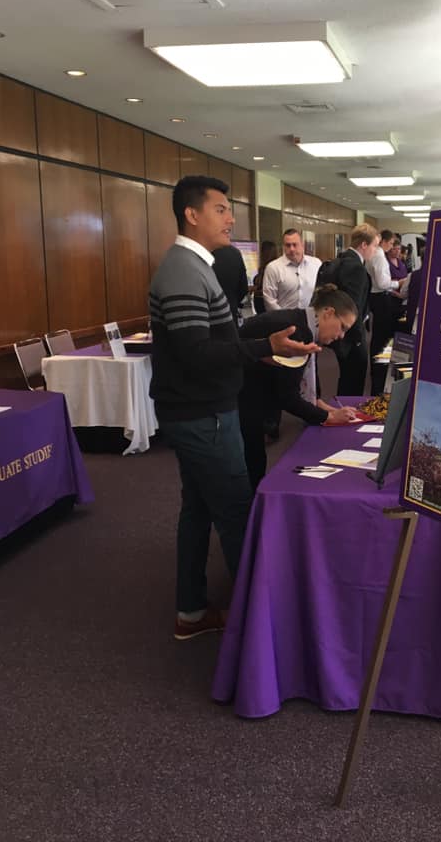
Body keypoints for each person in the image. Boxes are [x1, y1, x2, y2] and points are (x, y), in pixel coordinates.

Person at [149, 174, 319, 641]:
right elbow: (196, 352)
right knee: (237, 514)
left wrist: (264, 351)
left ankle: (192, 612)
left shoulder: (196, 265)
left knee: (200, 511)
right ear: (192, 214)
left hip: (200, 409)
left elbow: (215, 341)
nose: (231, 218)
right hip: (203, 415)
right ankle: (261, 629)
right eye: (222, 209)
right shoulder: (184, 268)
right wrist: (262, 343)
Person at [238, 285, 359, 489]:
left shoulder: (302, 321)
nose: (341, 336)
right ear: (328, 313)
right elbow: (288, 396)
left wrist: (324, 407)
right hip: (241, 403)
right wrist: (329, 417)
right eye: (343, 327)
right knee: (249, 474)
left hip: (245, 397)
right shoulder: (298, 332)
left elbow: (301, 377)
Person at [328, 223, 380, 396]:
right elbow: (353, 307)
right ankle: (348, 415)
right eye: (374, 245)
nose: (375, 250)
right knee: (354, 380)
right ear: (364, 245)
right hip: (351, 336)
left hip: (341, 331)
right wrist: (358, 339)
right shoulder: (355, 267)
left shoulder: (340, 260)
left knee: (347, 378)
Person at [367, 229, 401, 394]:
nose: (393, 246)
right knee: (382, 340)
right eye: (392, 243)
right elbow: (382, 283)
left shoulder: (374, 254)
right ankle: (379, 377)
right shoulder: (380, 256)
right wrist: (398, 283)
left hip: (376, 299)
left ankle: (378, 371)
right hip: (381, 298)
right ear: (385, 242)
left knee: (378, 339)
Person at [262, 228, 322, 312]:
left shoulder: (316, 264)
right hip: (283, 320)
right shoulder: (273, 268)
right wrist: (283, 319)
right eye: (288, 245)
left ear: (302, 245)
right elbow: (269, 300)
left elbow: (321, 292)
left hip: (311, 318)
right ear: (283, 247)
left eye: (295, 244)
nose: (292, 249)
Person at [212, 243, 249, 323]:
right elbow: (244, 288)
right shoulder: (235, 253)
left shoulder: (199, 253)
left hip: (206, 318)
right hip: (230, 314)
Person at [252, 240, 278, 315]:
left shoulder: (271, 268)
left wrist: (254, 289)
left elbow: (267, 290)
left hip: (265, 308)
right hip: (261, 308)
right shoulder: (263, 268)